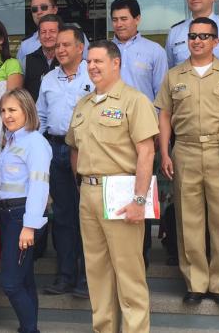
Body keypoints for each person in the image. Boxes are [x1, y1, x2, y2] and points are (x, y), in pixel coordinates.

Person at [155, 17, 219, 306]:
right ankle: (196, 283)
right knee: (189, 219)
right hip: (184, 150)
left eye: (203, 36)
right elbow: (164, 116)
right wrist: (164, 152)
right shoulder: (174, 75)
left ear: (216, 41)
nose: (197, 40)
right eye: (192, 36)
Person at [66, 40, 158, 333]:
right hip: (90, 194)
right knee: (97, 273)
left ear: (116, 63)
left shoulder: (134, 100)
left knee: (129, 274)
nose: (92, 67)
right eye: (89, 62)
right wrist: (84, 185)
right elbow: (74, 148)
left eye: (98, 61)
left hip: (121, 193)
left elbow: (147, 152)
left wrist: (139, 201)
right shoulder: (83, 104)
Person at [110, 0, 168, 266]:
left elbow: (161, 99)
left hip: (142, 135)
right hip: (109, 135)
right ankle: (115, 255)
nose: (119, 24)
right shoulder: (103, 51)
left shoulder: (154, 51)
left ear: (137, 19)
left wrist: (156, 136)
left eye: (124, 19)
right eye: (115, 19)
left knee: (139, 192)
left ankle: (140, 256)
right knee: (111, 193)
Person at [36, 26, 93, 298]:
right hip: (55, 149)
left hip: (87, 153)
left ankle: (87, 278)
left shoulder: (93, 74)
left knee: (87, 217)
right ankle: (65, 275)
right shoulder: (48, 79)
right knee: (62, 217)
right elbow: (40, 118)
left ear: (81, 48)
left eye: (66, 45)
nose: (60, 49)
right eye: (57, 45)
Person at [0, 88, 51, 333]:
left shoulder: (35, 142)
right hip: (7, 214)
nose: (7, 115)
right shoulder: (12, 139)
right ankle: (28, 327)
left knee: (10, 282)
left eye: (12, 110)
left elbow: (39, 186)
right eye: (4, 110)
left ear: (27, 110)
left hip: (22, 216)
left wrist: (29, 226)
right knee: (25, 279)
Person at [17, 0, 88, 69]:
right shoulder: (26, 44)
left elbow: (90, 66)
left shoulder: (76, 35)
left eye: (44, 7)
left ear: (55, 10)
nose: (39, 12)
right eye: (34, 9)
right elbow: (21, 76)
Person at [23, 14, 63, 102]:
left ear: (60, 33)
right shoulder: (27, 61)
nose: (47, 36)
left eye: (52, 31)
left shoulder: (67, 60)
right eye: (43, 32)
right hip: (35, 114)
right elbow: (21, 94)